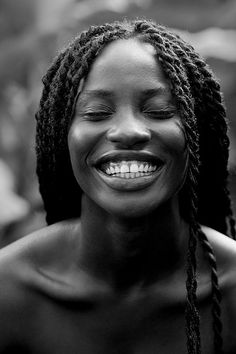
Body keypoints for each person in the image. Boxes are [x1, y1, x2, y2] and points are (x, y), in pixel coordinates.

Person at [0, 18, 236, 354]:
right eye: (96, 113)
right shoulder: (8, 291)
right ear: (61, 138)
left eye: (160, 110)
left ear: (198, 136)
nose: (128, 131)